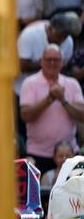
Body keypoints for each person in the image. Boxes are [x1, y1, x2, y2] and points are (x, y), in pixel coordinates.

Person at [20, 44, 84, 174]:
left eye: (56, 60)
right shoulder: (29, 83)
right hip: (38, 153)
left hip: (68, 154)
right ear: (41, 61)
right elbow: (25, 115)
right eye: (49, 59)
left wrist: (63, 100)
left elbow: (82, 115)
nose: (52, 63)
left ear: (62, 63)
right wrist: (49, 99)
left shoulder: (72, 84)